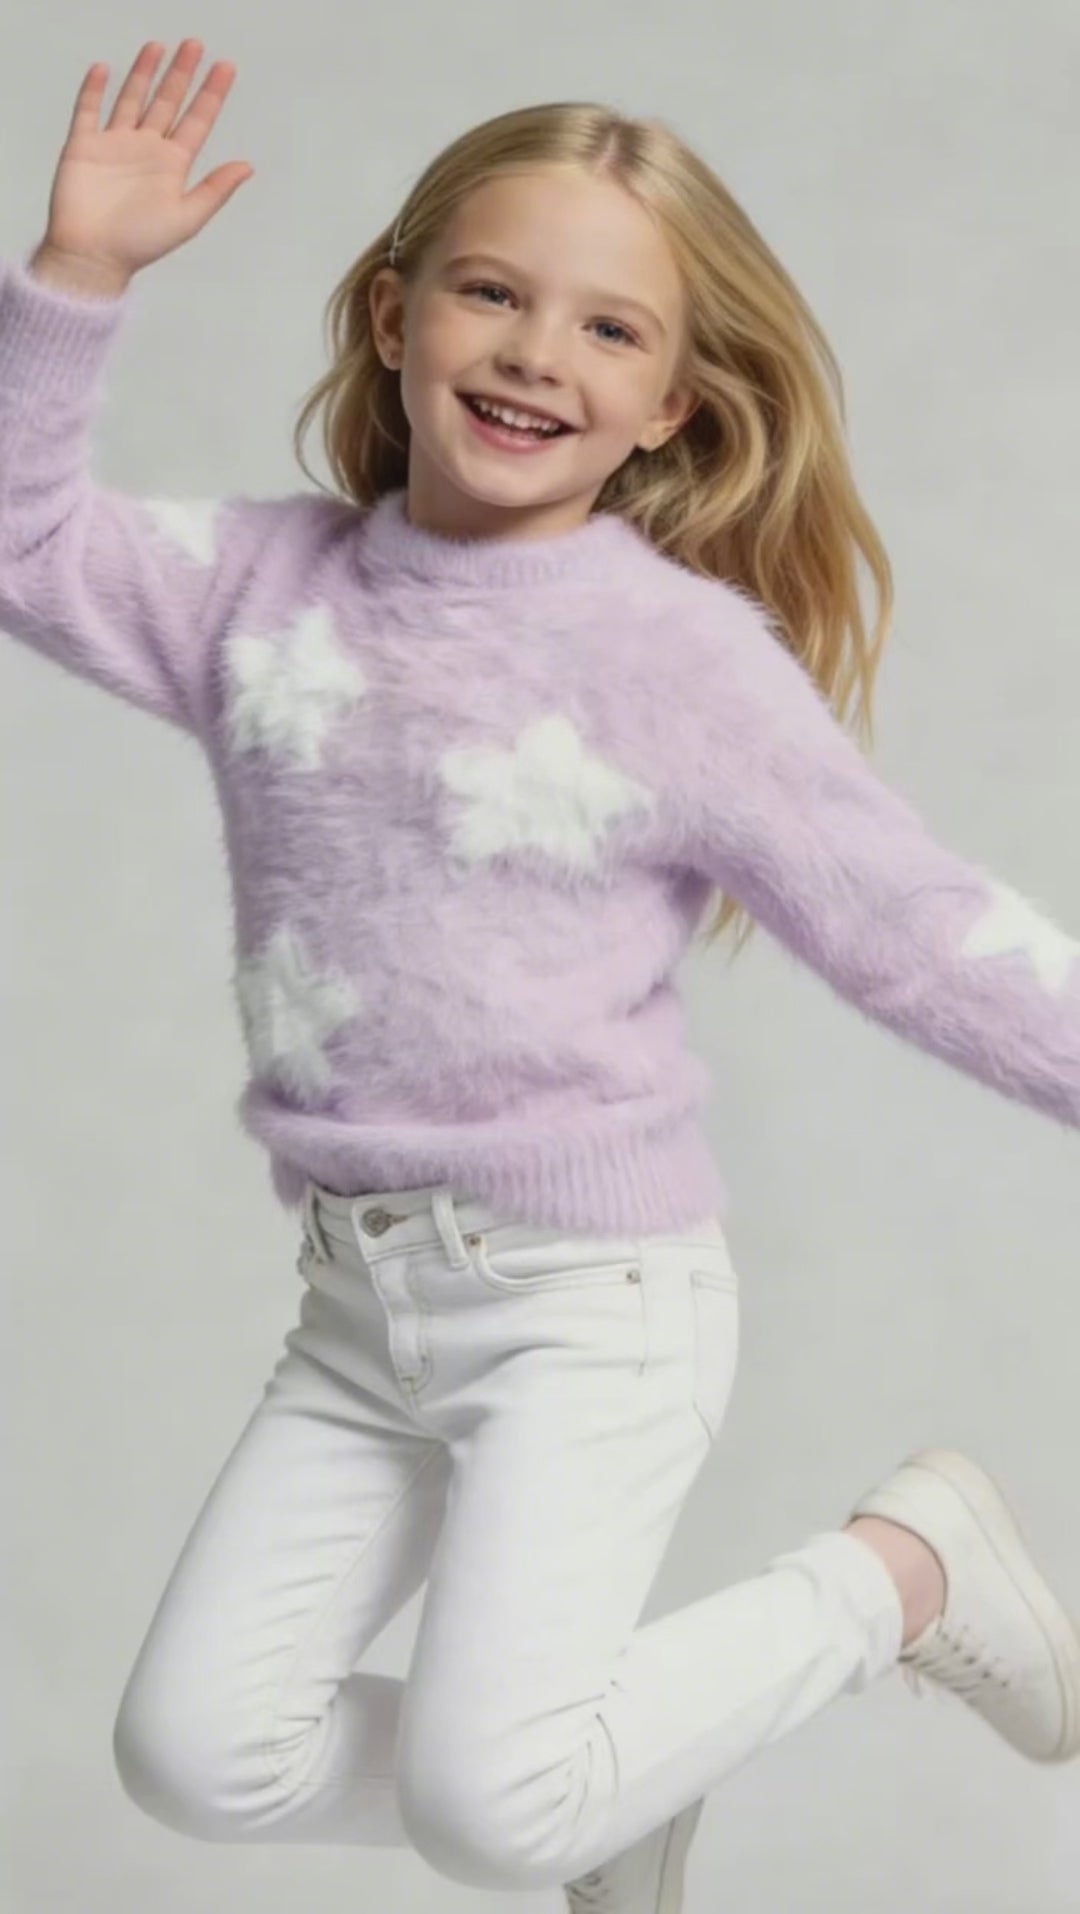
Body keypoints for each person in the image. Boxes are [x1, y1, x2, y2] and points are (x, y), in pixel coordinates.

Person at [3, 36, 1078, 1912]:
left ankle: (897, 1574)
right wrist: (77, 277)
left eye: (608, 329)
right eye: (493, 294)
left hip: (593, 1303)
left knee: (495, 1812)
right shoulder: (260, 591)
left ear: (670, 404)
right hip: (361, 1304)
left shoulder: (678, 661)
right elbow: (26, 547)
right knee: (195, 1749)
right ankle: (619, 1780)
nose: (535, 355)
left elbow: (913, 927)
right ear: (394, 314)